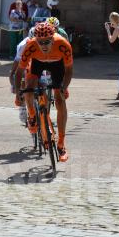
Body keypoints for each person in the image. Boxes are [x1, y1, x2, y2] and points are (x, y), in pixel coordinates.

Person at [14, 22, 73, 162]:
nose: (44, 45)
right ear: (36, 40)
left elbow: (69, 70)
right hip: (37, 63)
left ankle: (61, 144)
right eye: (40, 42)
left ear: (53, 38)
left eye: (47, 41)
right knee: (28, 87)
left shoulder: (63, 44)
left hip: (57, 65)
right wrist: (18, 93)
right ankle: (33, 116)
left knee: (60, 100)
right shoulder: (31, 46)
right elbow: (19, 72)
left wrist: (64, 87)